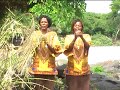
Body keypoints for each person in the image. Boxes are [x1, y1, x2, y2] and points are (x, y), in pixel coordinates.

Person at [29, 15, 62, 90]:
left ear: (48, 23)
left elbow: (56, 50)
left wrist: (47, 43)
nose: (43, 23)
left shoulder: (53, 34)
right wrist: (38, 42)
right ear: (39, 23)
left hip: (49, 67)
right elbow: (30, 49)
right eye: (42, 22)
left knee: (49, 87)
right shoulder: (35, 34)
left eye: (45, 22)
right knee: (38, 86)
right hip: (38, 66)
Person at [64, 19, 91, 90]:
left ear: (82, 27)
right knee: (72, 87)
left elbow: (88, 47)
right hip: (72, 67)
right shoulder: (68, 37)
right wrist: (75, 38)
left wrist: (81, 37)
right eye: (76, 25)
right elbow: (68, 49)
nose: (77, 27)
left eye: (79, 26)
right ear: (73, 27)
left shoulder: (86, 36)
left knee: (84, 87)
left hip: (83, 67)